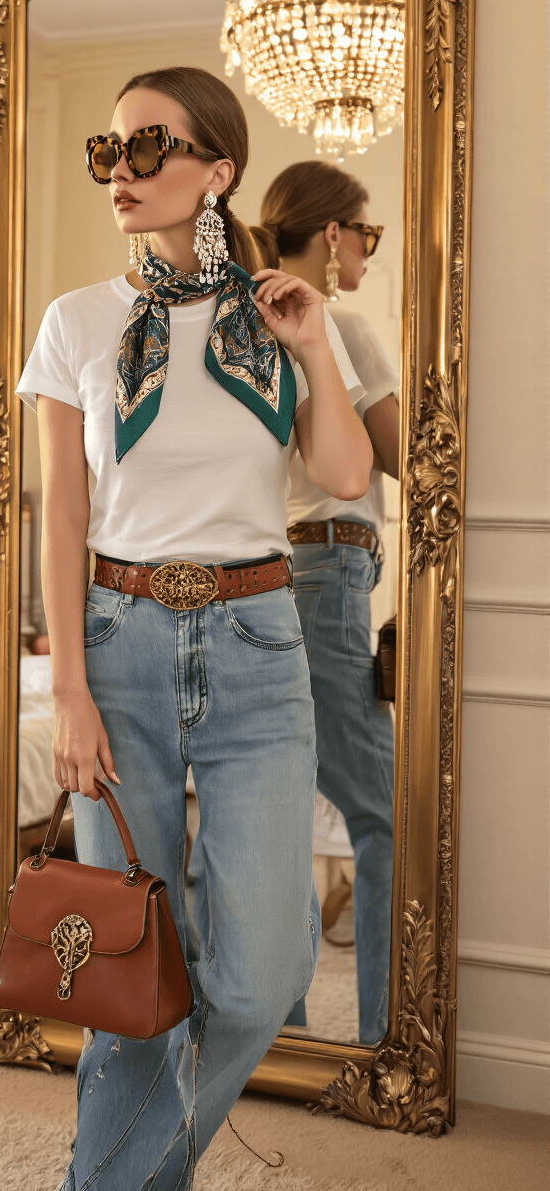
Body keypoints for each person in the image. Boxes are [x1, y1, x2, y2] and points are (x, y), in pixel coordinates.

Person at [16, 69, 372, 1190]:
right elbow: (63, 518)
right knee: (127, 973)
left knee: (265, 970)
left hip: (258, 638)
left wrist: (315, 349)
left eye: (147, 147)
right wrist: (67, 689)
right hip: (116, 640)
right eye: (105, 152)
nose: (118, 172)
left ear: (218, 170)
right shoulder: (77, 322)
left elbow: (347, 473)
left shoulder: (281, 315)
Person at [259, 160, 400, 1047]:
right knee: (386, 815)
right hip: (331, 577)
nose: (364, 254)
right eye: (366, 235)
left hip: (268, 581)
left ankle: (284, 1029)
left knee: (272, 809)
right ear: (335, 235)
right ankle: (387, 1029)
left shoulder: (243, 326)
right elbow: (402, 456)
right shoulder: (338, 328)